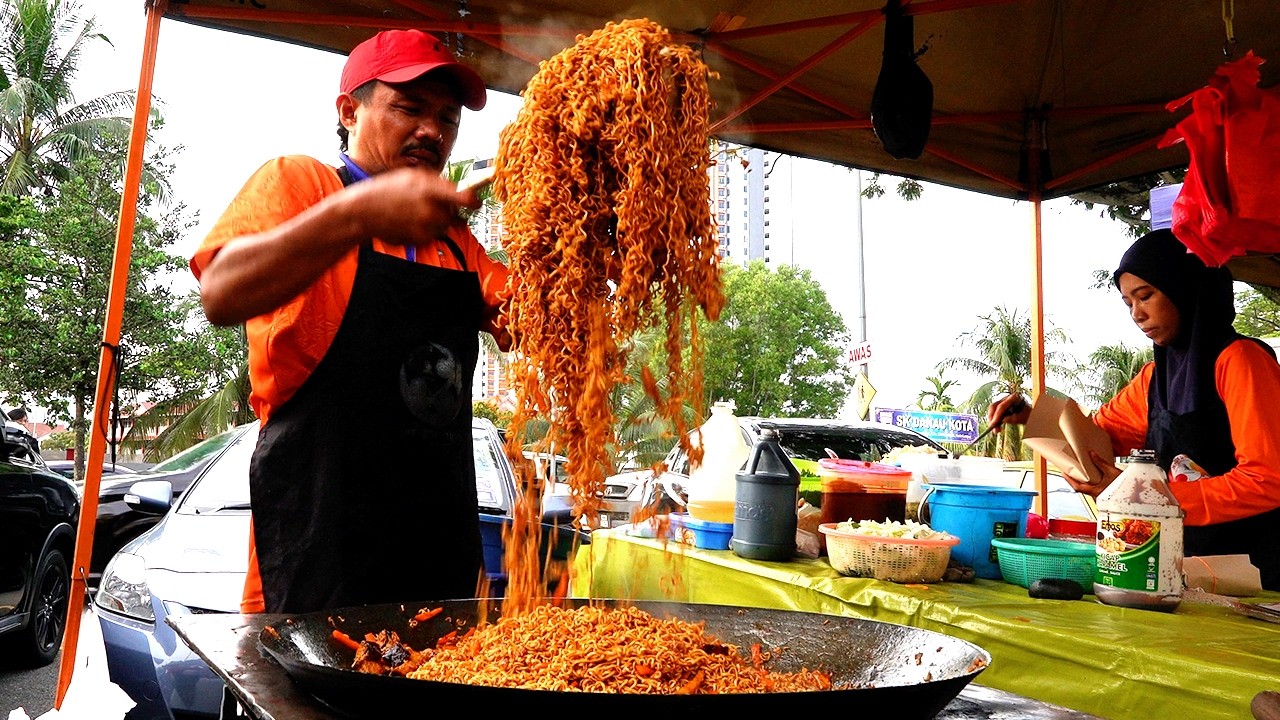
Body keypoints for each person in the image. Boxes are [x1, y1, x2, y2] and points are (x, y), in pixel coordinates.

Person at [189, 29, 511, 614]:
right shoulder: (301, 184)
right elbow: (221, 291)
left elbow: (535, 320)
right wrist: (360, 212)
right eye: (409, 108)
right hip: (319, 557)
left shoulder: (454, 241)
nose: (432, 131)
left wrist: (587, 235)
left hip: (440, 561)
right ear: (349, 111)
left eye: (447, 118)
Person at [988, 229, 1280, 590]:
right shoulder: (1154, 377)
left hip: (1257, 579)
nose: (1137, 314)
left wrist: (1149, 498)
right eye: (1128, 303)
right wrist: (1031, 417)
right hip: (1185, 574)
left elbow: (1268, 479)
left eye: (1146, 296)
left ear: (1184, 287)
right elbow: (1097, 438)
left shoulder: (1241, 361)